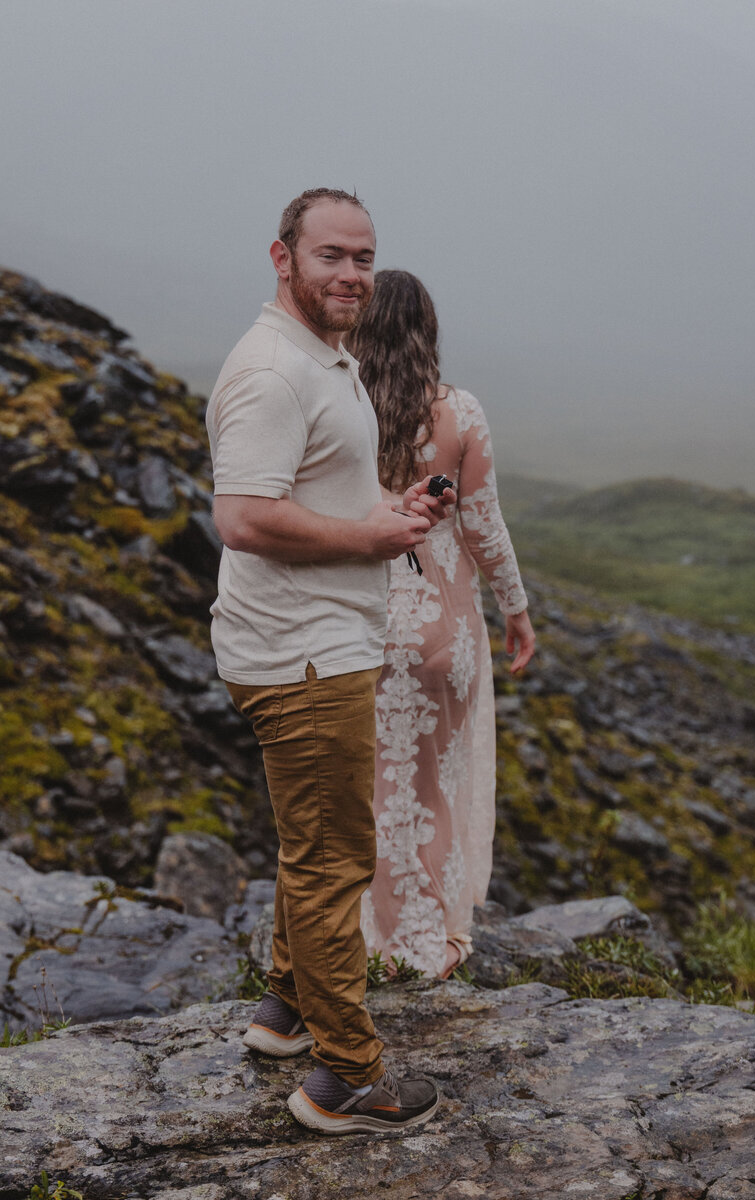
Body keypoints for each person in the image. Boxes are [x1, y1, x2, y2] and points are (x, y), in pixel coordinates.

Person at [206, 191, 454, 1135]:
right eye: (331, 257)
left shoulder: (327, 358)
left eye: (364, 257)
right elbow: (243, 516)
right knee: (333, 859)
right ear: (283, 257)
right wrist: (365, 537)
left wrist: (390, 518)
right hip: (301, 656)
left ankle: (286, 1009)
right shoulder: (274, 371)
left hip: (315, 641)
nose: (351, 274)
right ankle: (347, 1077)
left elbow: (306, 489)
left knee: (312, 845)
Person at [347, 270, 536, 981]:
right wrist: (516, 612)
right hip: (440, 630)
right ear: (428, 330)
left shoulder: (341, 408)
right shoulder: (460, 413)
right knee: (433, 788)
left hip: (357, 624)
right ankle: (427, 943)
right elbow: (485, 528)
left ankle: (364, 940)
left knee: (366, 786)